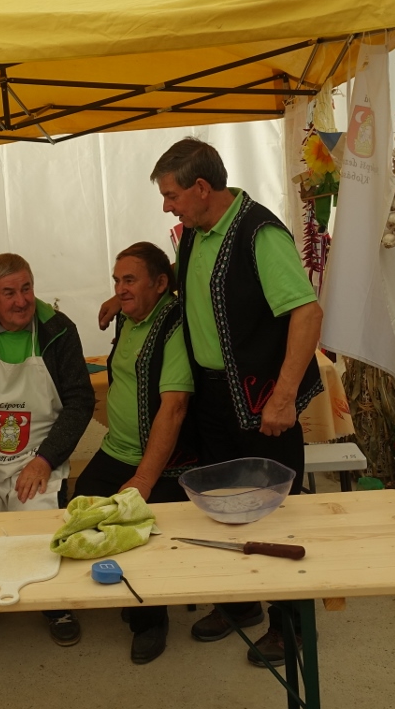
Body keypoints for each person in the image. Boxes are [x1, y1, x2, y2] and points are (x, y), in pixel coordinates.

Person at [150, 138, 323, 668]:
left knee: (274, 510)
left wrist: (284, 396)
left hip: (260, 397)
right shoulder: (196, 233)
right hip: (213, 395)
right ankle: (240, 602)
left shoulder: (259, 232)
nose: (167, 206)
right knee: (221, 505)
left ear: (202, 187)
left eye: (172, 195)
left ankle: (290, 626)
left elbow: (307, 313)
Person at [0, 253, 94, 649]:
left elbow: (79, 402)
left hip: (36, 458)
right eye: (9, 293)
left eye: (26, 289)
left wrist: (45, 460)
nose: (22, 301)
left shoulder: (58, 330)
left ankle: (53, 603)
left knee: (39, 528)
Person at [71, 242, 193, 664]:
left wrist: (143, 479)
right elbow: (136, 293)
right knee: (82, 502)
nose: (121, 288)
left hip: (159, 459)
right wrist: (122, 298)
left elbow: (174, 408)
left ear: (160, 284)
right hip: (116, 448)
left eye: (129, 280)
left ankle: (151, 620)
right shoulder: (129, 314)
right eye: (116, 280)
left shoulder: (175, 325)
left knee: (139, 526)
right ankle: (121, 583)